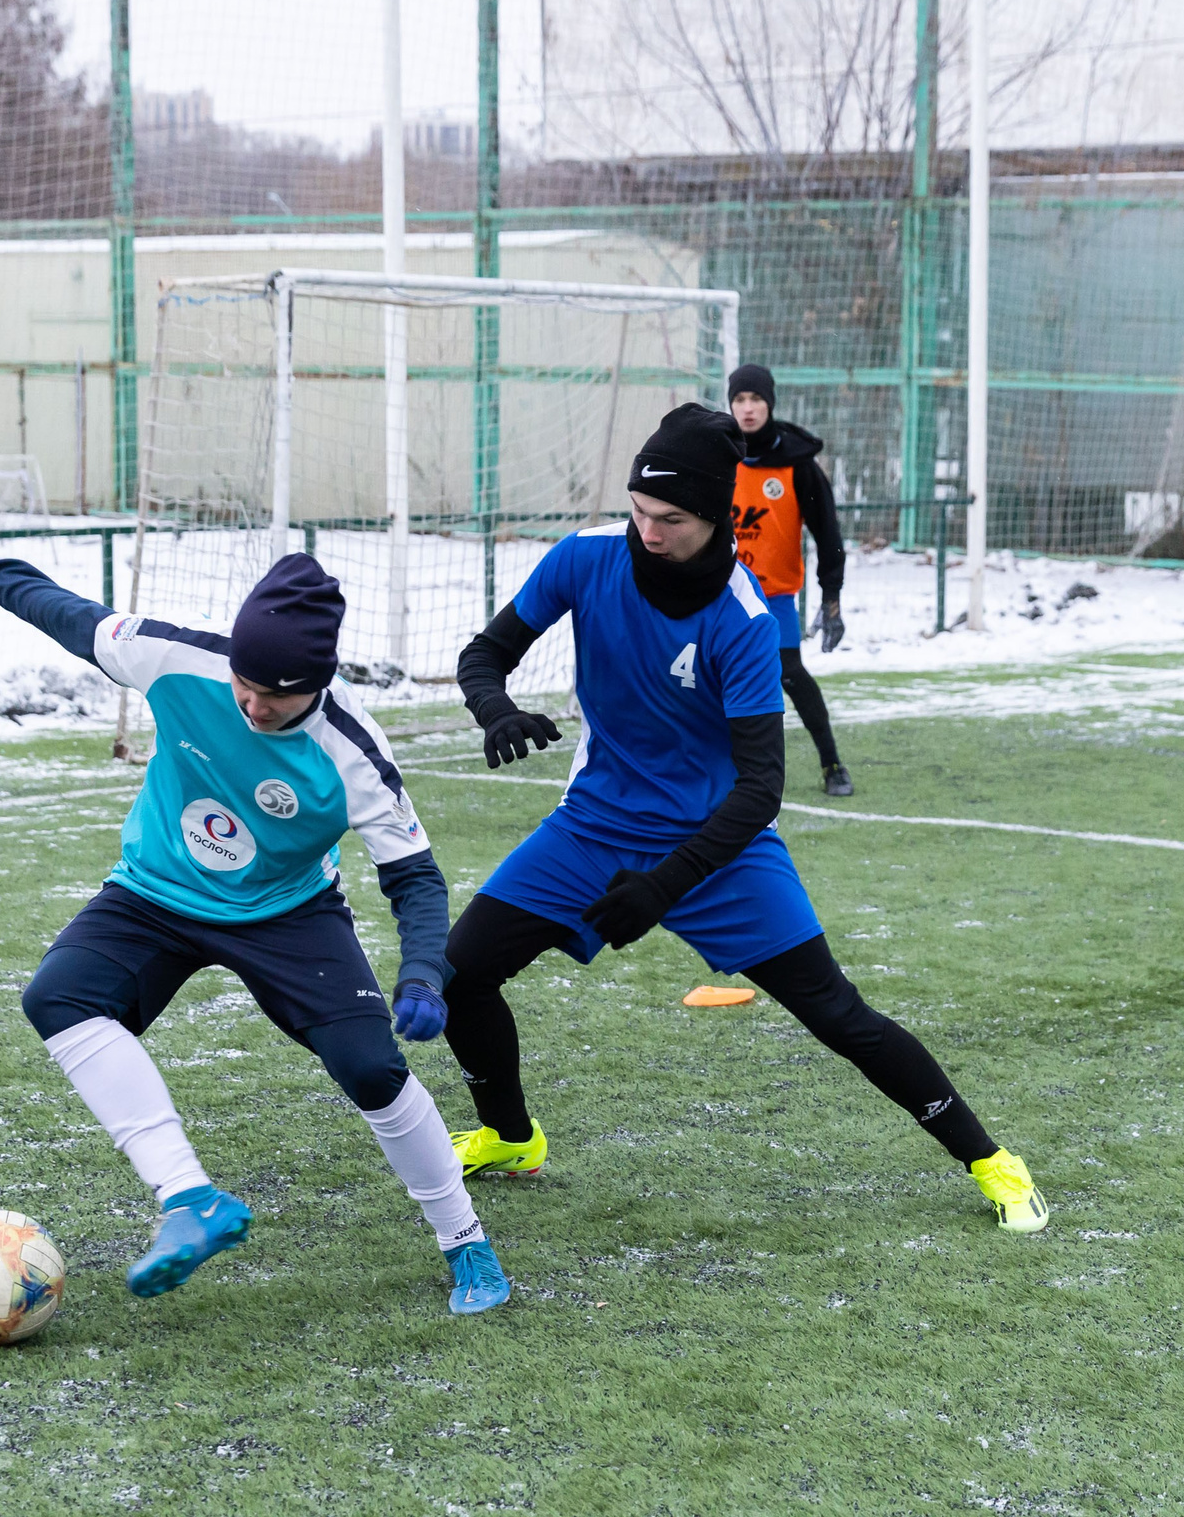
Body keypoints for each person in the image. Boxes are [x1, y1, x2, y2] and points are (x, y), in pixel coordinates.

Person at [436, 402, 1048, 1234]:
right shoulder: (583, 559)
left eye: (671, 519)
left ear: (717, 515)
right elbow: (483, 654)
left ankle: (990, 1160)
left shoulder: (743, 619)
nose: (648, 532)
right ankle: (512, 1138)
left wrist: (661, 889)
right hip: (592, 826)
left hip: (717, 846)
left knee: (837, 1013)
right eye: (639, 512)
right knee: (461, 972)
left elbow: (761, 789)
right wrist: (494, 708)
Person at [0, 546, 512, 1314]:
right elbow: (64, 613)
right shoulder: (172, 657)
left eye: (277, 697)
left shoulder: (352, 750)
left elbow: (415, 878)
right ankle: (189, 1199)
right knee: (58, 997)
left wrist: (424, 974)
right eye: (245, 684)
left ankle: (465, 1241)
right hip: (155, 891)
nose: (254, 706)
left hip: (287, 912)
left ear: (319, 686)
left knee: (371, 1068)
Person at [725, 363, 854, 798]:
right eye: (739, 400)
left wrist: (830, 597)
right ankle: (709, 770)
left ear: (770, 404)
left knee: (789, 674)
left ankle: (832, 762)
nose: (747, 409)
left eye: (755, 399)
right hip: (717, 593)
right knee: (702, 677)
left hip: (771, 595)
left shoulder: (797, 466)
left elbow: (828, 532)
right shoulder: (718, 453)